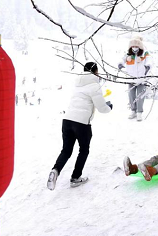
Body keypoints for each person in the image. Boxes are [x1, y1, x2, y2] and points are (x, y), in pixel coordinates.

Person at [47, 62, 112, 190]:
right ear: (95, 71)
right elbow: (102, 108)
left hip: (67, 120)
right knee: (84, 150)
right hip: (82, 124)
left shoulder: (78, 84)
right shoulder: (95, 86)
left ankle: (55, 170)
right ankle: (75, 178)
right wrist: (109, 107)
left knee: (66, 150)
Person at [118, 36, 152, 121]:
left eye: (136, 46)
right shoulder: (128, 55)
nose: (134, 48)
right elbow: (122, 59)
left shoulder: (145, 54)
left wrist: (148, 66)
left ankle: (139, 112)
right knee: (131, 95)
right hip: (131, 79)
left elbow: (149, 60)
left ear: (140, 46)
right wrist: (120, 64)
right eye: (133, 46)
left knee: (140, 96)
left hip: (141, 79)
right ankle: (133, 111)